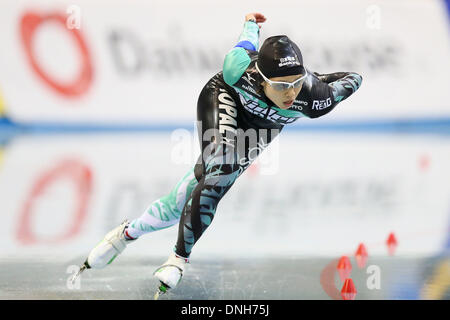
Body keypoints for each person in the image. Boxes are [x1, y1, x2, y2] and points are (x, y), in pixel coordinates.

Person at [75, 12, 363, 296]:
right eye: (280, 85)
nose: (290, 93)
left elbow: (355, 78)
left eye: (295, 82)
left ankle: (126, 234)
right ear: (261, 79)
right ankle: (178, 259)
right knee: (221, 172)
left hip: (263, 128)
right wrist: (252, 24)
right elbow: (246, 44)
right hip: (224, 98)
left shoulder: (316, 98)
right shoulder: (237, 70)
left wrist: (317, 79)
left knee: (184, 198)